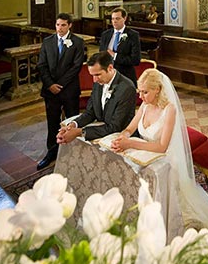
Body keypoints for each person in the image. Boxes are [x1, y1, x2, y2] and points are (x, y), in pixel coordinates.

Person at [111, 68, 208, 229]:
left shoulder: (169, 109)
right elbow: (131, 127)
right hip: (145, 152)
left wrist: (131, 143)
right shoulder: (145, 105)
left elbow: (162, 147)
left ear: (158, 90)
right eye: (139, 92)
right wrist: (124, 136)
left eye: (145, 92)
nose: (140, 97)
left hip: (165, 158)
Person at [36, 12, 84, 170]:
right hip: (50, 91)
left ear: (70, 25)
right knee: (52, 122)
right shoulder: (48, 42)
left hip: (69, 90)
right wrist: (50, 85)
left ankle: (72, 151)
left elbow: (76, 66)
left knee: (71, 122)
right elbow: (42, 65)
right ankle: (52, 152)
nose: (60, 28)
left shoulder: (77, 42)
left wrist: (60, 85)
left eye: (63, 25)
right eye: (57, 25)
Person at [56, 51, 136, 144]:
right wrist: (73, 125)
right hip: (103, 128)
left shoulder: (127, 88)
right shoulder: (98, 83)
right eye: (92, 75)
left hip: (120, 136)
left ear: (110, 68)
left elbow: (115, 126)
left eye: (97, 74)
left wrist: (80, 132)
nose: (94, 80)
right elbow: (90, 112)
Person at [99, 7, 141, 85]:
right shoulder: (105, 34)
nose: (114, 21)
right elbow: (101, 54)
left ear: (124, 18)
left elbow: (135, 60)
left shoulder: (133, 35)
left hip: (125, 76)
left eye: (117, 18)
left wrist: (115, 56)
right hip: (107, 76)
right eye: (112, 19)